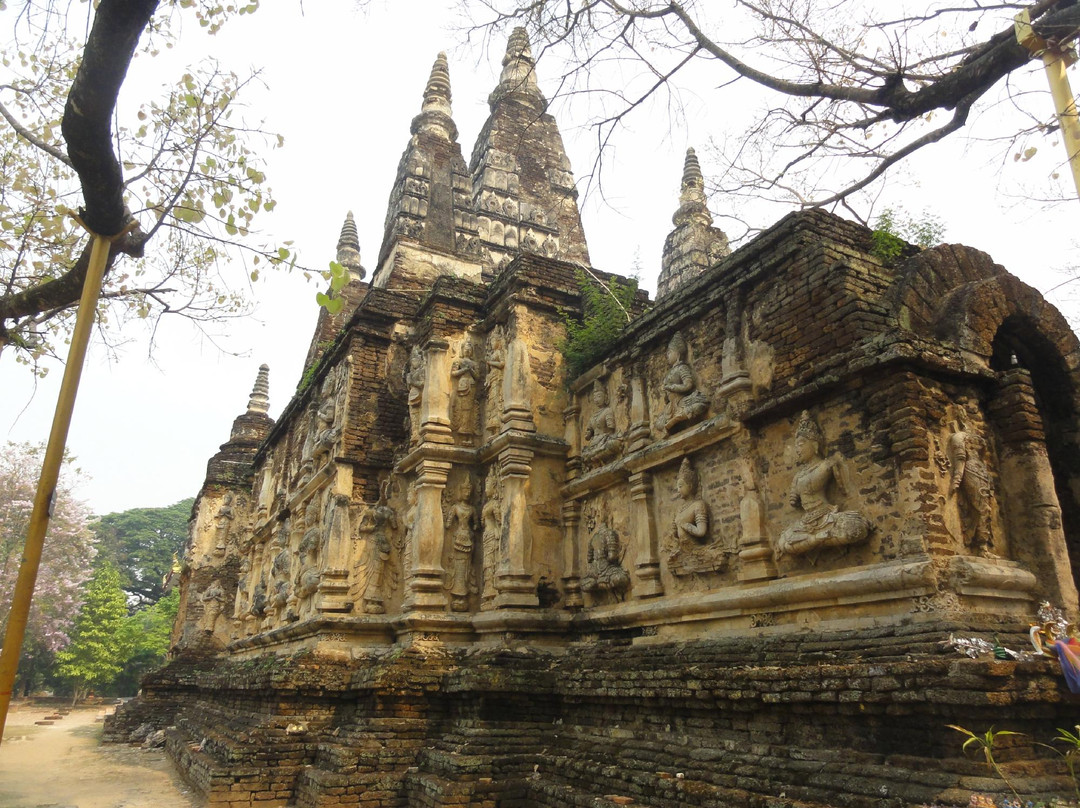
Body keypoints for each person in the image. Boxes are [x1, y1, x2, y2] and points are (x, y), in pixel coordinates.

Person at [778, 411, 870, 558]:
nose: (797, 449)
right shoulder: (797, 476)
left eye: (801, 444)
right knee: (783, 543)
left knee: (854, 529)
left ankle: (818, 539)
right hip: (806, 523)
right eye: (796, 446)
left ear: (814, 444)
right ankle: (817, 539)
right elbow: (794, 503)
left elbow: (844, 489)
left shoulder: (827, 465)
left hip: (826, 515)